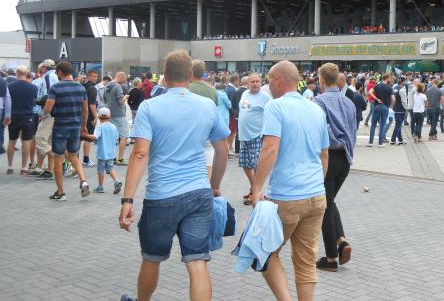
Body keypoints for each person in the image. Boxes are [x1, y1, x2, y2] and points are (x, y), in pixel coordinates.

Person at [119, 51, 230, 301]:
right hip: (198, 192)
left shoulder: (149, 107)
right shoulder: (207, 106)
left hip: (162, 196)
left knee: (152, 258)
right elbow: (222, 149)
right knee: (197, 260)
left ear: (165, 77)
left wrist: (127, 200)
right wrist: (214, 186)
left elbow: (139, 154)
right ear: (191, 76)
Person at [252, 60, 329, 301]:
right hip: (316, 196)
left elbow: (270, 149)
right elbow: (324, 153)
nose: (267, 85)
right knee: (306, 259)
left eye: (268, 80)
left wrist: (255, 188)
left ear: (277, 80)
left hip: (286, 197)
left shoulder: (275, 107)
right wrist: (318, 184)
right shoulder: (316, 108)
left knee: (265, 253)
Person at [313, 63, 356, 272]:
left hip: (328, 156)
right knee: (329, 201)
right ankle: (341, 241)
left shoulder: (318, 102)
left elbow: (323, 132)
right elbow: (353, 131)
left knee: (325, 208)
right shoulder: (348, 102)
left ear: (321, 80)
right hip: (345, 159)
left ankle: (331, 258)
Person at [43, 61, 90, 200]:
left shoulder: (55, 88)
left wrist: (43, 114)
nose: (56, 74)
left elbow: (48, 107)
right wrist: (84, 125)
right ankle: (83, 181)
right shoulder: (81, 88)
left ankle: (61, 192)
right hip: (75, 126)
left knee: (58, 157)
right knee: (74, 156)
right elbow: (85, 109)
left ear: (60, 72)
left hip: (60, 126)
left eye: (57, 72)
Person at [237, 73, 271, 205]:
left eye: (257, 81)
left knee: (257, 165)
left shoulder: (265, 97)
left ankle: (257, 193)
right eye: (253, 82)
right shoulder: (245, 94)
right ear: (248, 83)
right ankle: (254, 188)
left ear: (261, 82)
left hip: (257, 135)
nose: (255, 84)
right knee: (245, 164)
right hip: (244, 135)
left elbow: (270, 115)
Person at [81, 107, 123, 194]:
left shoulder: (100, 127)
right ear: (110, 116)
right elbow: (117, 138)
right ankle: (117, 181)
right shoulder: (113, 127)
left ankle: (100, 187)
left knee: (100, 170)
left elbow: (95, 137)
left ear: (99, 117)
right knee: (110, 168)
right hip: (111, 153)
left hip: (102, 153)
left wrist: (85, 135)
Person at [5, 66, 37, 175]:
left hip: (14, 116)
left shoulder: (10, 86)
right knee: (26, 142)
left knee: (12, 141)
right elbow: (34, 102)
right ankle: (24, 168)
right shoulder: (33, 87)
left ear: (17, 73)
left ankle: (9, 167)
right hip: (28, 116)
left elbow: (7, 102)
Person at [189, 60, 218, 179]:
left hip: (189, 131)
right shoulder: (212, 90)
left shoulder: (187, 88)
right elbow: (214, 111)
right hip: (207, 131)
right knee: (208, 163)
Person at [105, 72, 129, 165]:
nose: (123, 82)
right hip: (119, 114)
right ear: (121, 77)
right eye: (123, 80)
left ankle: (112, 157)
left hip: (110, 113)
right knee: (124, 136)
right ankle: (120, 159)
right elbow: (120, 101)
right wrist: (125, 97)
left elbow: (105, 99)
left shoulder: (108, 85)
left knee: (112, 137)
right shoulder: (118, 86)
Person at [367, 73, 394, 147]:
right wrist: (391, 106)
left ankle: (370, 142)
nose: (390, 79)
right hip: (385, 107)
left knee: (373, 124)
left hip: (377, 106)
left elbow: (369, 92)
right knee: (382, 125)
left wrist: (376, 99)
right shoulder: (389, 88)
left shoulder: (377, 85)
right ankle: (380, 143)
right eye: (390, 78)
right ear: (387, 78)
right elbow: (393, 99)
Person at [81, 69, 99, 167]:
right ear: (88, 76)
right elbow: (92, 104)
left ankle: (74, 158)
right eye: (93, 76)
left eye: (96, 76)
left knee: (80, 137)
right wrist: (96, 117)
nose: (95, 78)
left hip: (81, 114)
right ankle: (86, 159)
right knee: (88, 138)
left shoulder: (82, 86)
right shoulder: (92, 89)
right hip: (89, 115)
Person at [390, 77, 408, 145]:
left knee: (398, 125)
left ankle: (400, 140)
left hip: (395, 108)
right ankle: (393, 139)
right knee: (398, 125)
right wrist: (406, 108)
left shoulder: (395, 88)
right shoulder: (402, 89)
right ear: (403, 82)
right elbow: (404, 100)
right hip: (401, 109)